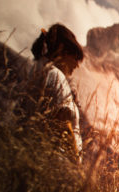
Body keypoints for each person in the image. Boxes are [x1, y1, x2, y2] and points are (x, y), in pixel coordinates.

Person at [31, 24, 84, 162]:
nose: (77, 65)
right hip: (56, 163)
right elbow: (64, 124)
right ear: (62, 50)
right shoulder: (56, 76)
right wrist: (76, 165)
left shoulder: (35, 69)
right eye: (76, 58)